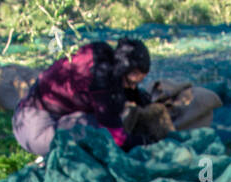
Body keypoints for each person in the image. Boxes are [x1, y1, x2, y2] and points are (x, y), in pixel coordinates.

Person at [12, 38, 152, 156]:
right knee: (97, 132)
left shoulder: (101, 53)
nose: (133, 87)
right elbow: (117, 138)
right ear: (123, 69)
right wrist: (144, 142)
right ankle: (50, 156)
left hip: (31, 113)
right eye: (131, 82)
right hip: (34, 130)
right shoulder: (101, 80)